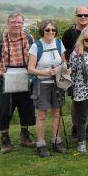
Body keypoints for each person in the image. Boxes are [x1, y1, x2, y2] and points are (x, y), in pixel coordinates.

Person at [0, 13, 36, 153]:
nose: (16, 25)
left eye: (19, 22)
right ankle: (5, 141)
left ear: (23, 24)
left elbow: (34, 59)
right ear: (8, 23)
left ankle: (24, 137)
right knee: (3, 111)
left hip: (25, 80)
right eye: (13, 22)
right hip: (5, 81)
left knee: (27, 109)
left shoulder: (30, 38)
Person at [61, 5, 88, 141]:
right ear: (76, 17)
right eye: (80, 15)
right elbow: (65, 53)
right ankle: (76, 129)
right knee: (77, 104)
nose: (83, 17)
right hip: (77, 77)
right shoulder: (69, 33)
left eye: (86, 15)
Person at [27, 20, 68, 157]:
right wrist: (46, 73)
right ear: (42, 31)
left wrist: (62, 69)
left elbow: (64, 62)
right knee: (42, 115)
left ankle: (57, 141)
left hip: (57, 83)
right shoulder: (36, 46)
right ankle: (41, 144)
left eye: (53, 30)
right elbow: (30, 69)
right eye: (47, 30)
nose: (51, 32)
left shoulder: (58, 43)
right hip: (42, 84)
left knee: (57, 113)